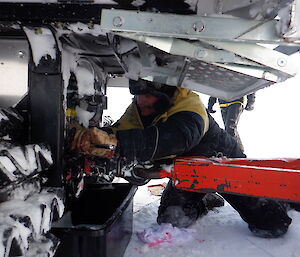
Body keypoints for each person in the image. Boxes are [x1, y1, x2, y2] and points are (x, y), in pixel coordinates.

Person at [71, 79, 291, 238]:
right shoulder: (138, 109)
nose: (142, 101)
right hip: (187, 173)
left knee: (272, 225)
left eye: (148, 95)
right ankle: (205, 199)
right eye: (138, 95)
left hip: (223, 165)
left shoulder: (190, 107)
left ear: (166, 93)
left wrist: (119, 145)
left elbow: (176, 139)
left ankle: (281, 199)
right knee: (172, 220)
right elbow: (121, 134)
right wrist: (97, 142)